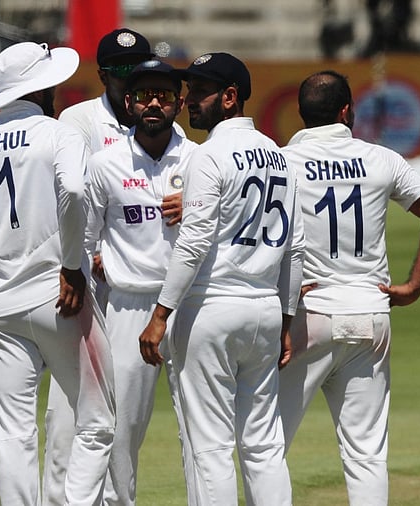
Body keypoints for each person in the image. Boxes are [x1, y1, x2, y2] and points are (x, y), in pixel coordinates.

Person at [0, 41, 115, 506]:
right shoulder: (59, 134)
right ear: (42, 90)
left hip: (0, 309)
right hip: (59, 297)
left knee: (12, 436)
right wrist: (72, 266)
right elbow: (77, 191)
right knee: (98, 418)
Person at [278, 70, 420, 505]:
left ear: (302, 115)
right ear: (345, 111)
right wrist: (413, 286)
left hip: (308, 314)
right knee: (367, 454)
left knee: (267, 447)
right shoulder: (380, 158)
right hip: (370, 315)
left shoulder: (281, 162)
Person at [138, 52, 303, 505]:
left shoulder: (208, 156)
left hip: (210, 308)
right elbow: (297, 246)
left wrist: (159, 315)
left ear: (230, 98)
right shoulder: (281, 156)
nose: (190, 100)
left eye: (202, 91)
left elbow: (193, 243)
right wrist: (286, 319)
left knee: (209, 447)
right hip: (264, 309)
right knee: (264, 445)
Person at [43, 27, 156, 505]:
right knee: (67, 415)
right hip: (86, 286)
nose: (134, 84)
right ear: (104, 75)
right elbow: (66, 198)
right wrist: (82, 257)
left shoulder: (158, 118)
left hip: (136, 288)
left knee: (127, 420)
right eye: (124, 74)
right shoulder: (78, 120)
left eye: (141, 71)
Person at [84, 60, 197, 505]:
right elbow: (84, 237)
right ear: (128, 103)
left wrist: (200, 206)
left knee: (199, 427)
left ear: (179, 104)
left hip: (190, 303)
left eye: (164, 95)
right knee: (123, 429)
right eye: (145, 95)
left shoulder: (199, 161)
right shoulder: (104, 163)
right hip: (127, 306)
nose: (154, 102)